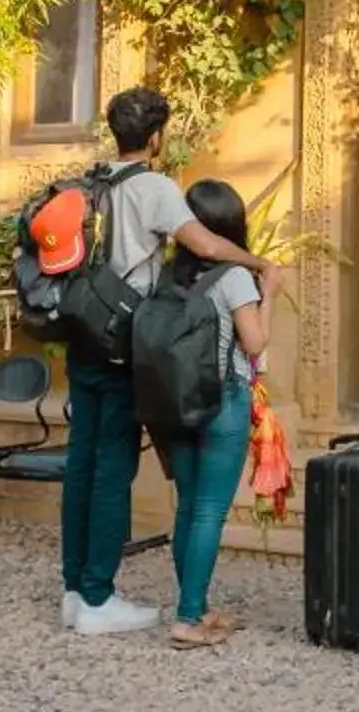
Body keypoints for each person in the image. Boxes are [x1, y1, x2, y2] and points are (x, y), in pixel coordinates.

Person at [60, 86, 278, 635]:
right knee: (113, 469)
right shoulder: (152, 186)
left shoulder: (93, 179)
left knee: (81, 464)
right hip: (117, 344)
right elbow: (203, 245)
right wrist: (258, 263)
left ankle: (74, 589)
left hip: (81, 334)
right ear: (155, 137)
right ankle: (97, 597)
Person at [158, 178, 269, 649]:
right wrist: (274, 296)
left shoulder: (167, 275)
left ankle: (197, 607)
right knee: (209, 511)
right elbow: (256, 343)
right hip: (223, 400)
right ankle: (187, 618)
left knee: (188, 506)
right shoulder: (236, 276)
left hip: (174, 401)